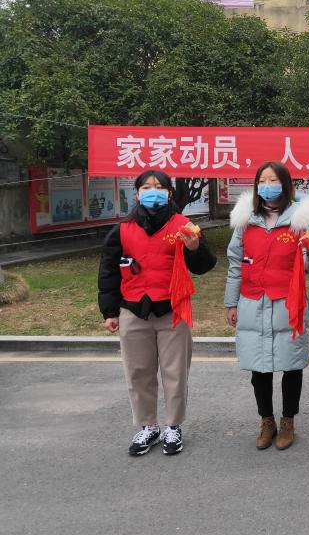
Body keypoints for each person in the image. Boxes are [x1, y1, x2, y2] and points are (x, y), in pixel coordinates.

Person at [98, 169, 217, 456]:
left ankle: (173, 426)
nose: (154, 192)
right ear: (137, 194)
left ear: (169, 193)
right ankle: (147, 426)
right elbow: (108, 271)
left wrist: (194, 248)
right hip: (133, 310)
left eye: (159, 187)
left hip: (172, 310)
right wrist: (110, 312)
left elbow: (205, 265)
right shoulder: (122, 230)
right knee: (138, 372)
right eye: (147, 187)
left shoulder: (184, 225)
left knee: (175, 373)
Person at [224, 162, 309, 451]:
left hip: (288, 304)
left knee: (291, 365)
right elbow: (235, 263)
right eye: (263, 181)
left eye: (274, 180)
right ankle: (266, 421)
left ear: (286, 184)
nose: (268, 186)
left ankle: (288, 420)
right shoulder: (246, 220)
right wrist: (231, 302)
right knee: (259, 369)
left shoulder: (302, 218)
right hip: (253, 302)